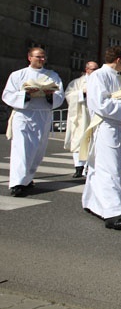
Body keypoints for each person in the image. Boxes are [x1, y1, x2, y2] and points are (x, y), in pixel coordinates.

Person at [82, 46, 121, 229]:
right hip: (104, 126)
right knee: (109, 169)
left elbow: (118, 102)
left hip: (115, 127)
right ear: (118, 60)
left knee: (101, 167)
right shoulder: (98, 76)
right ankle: (113, 213)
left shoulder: (116, 78)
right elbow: (100, 104)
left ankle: (91, 202)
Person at [3, 47, 64, 197]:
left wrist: (50, 96)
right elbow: (7, 95)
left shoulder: (52, 76)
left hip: (43, 115)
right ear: (29, 58)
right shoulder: (18, 75)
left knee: (38, 150)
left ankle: (27, 179)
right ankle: (17, 183)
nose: (41, 60)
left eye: (43, 57)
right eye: (38, 57)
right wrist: (26, 95)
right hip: (24, 115)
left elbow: (60, 95)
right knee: (21, 149)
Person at [64, 61, 98, 178]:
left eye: (96, 69)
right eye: (93, 69)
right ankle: (78, 167)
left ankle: (89, 166)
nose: (95, 72)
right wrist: (82, 93)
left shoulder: (100, 82)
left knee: (94, 142)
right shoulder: (77, 82)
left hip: (95, 115)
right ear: (87, 70)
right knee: (79, 140)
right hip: (81, 115)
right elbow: (68, 95)